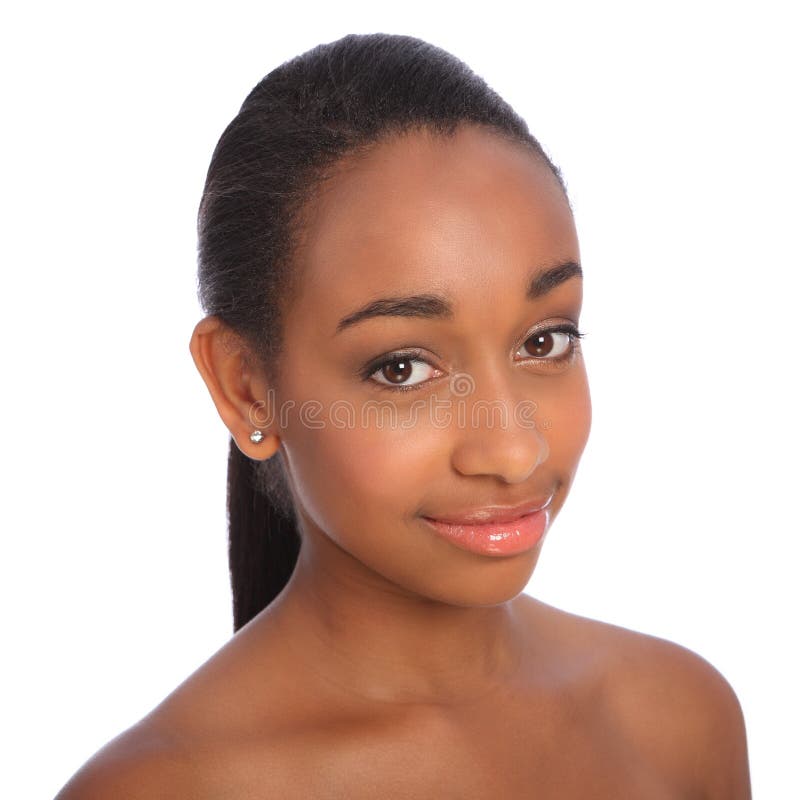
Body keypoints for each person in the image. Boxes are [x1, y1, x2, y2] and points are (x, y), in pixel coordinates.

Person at [55, 32, 752, 798]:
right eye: (402, 368)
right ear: (247, 385)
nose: (514, 451)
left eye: (545, 340)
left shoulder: (680, 719)